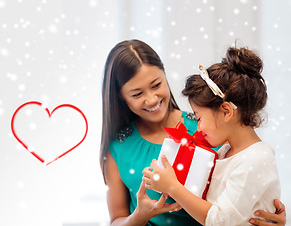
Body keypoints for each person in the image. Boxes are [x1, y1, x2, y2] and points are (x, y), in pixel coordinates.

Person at [100, 39, 286, 226]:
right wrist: (139, 215)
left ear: (164, 74)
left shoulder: (211, 131)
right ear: (120, 96)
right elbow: (117, 219)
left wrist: (267, 213)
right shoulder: (119, 147)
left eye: (156, 85)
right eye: (137, 94)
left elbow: (236, 202)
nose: (151, 99)